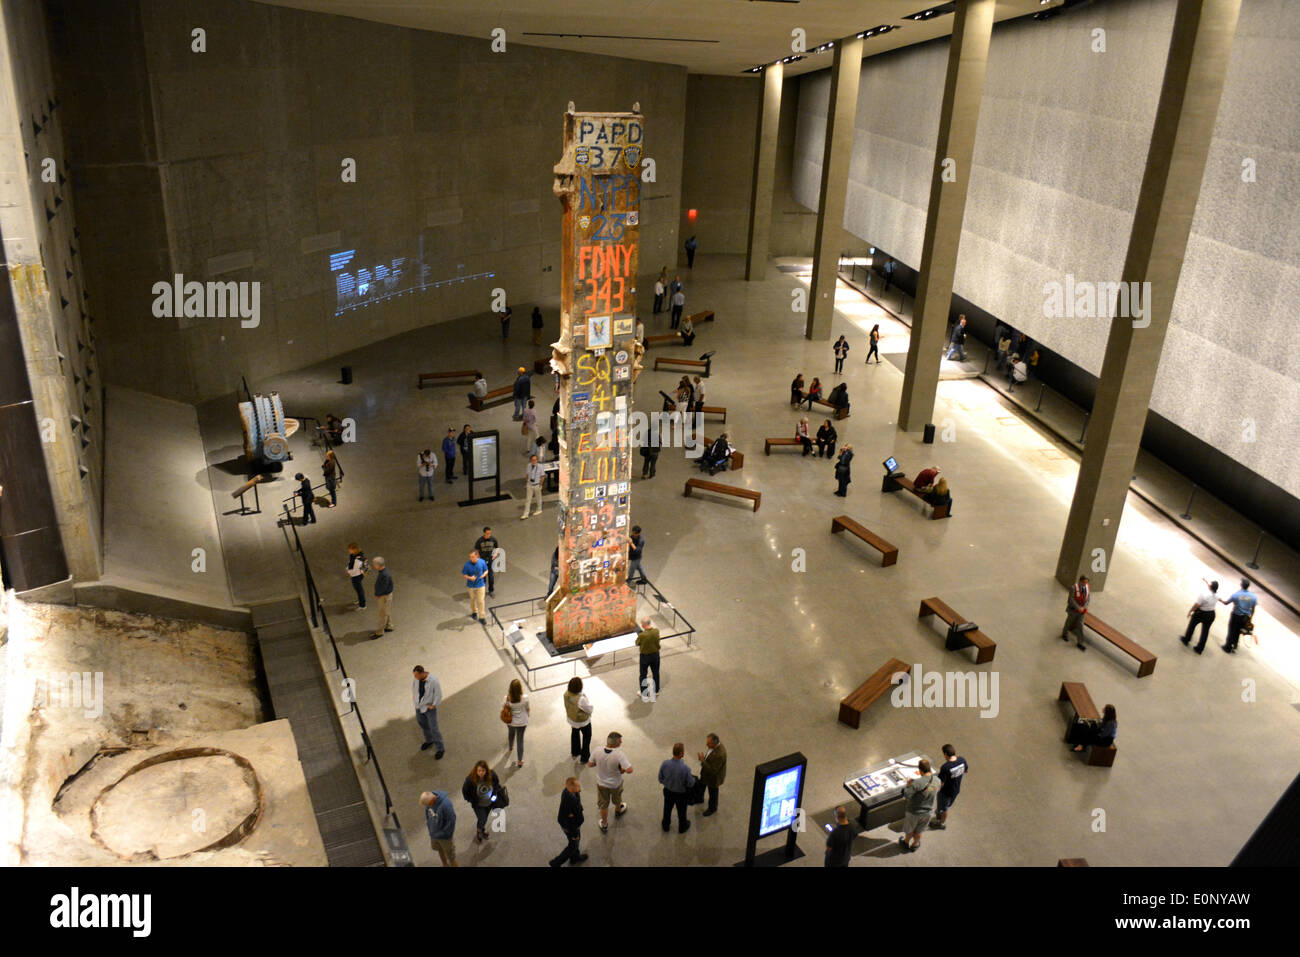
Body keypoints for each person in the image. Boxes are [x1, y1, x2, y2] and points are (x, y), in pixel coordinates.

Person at [588, 732, 633, 832]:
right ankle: (618, 810)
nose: (621, 743)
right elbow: (630, 770)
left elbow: (590, 764)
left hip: (601, 783)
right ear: (616, 744)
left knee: (603, 804)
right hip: (615, 783)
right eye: (620, 741)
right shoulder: (619, 755)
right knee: (617, 797)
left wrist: (599, 764)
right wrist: (622, 770)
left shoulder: (597, 750)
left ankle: (604, 824)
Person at [898, 758, 939, 853]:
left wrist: (908, 786)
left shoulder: (917, 783)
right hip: (928, 812)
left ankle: (906, 843)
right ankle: (915, 844)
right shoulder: (937, 780)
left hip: (914, 811)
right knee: (920, 830)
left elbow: (907, 795)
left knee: (910, 829)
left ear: (920, 770)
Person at [461, 760, 503, 843]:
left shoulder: (492, 775)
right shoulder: (470, 780)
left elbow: (497, 785)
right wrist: (471, 800)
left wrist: (494, 795)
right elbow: (465, 791)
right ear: (476, 770)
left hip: (489, 803)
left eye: (483, 771)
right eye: (479, 771)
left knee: (485, 817)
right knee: (482, 818)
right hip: (478, 805)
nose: (481, 773)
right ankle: (479, 831)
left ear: (486, 771)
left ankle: (482, 830)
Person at [550, 777, 588, 867]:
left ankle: (575, 857)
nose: (580, 787)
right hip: (570, 827)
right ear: (571, 788)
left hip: (572, 823)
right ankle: (555, 863)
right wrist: (574, 834)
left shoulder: (569, 792)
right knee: (573, 844)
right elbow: (570, 821)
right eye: (578, 786)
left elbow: (577, 802)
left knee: (576, 842)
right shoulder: (569, 801)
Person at [659, 743, 696, 833]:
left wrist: (668, 783)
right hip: (681, 795)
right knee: (682, 812)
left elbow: (660, 778)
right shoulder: (685, 769)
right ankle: (682, 827)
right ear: (682, 754)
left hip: (668, 792)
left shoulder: (665, 764)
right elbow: (690, 783)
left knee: (667, 809)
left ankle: (666, 825)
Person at [930, 744, 968, 830]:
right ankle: (939, 813)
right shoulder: (962, 760)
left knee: (944, 809)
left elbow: (941, 783)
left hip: (946, 792)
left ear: (946, 754)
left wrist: (933, 788)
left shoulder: (945, 767)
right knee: (946, 805)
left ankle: (941, 823)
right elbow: (965, 771)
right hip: (956, 789)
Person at [411, 665, 444, 758]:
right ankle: (429, 740)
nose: (415, 677)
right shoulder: (416, 680)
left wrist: (434, 705)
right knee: (423, 724)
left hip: (429, 708)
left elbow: (438, 694)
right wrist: (414, 699)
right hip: (419, 706)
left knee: (434, 728)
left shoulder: (433, 680)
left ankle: (440, 748)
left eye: (416, 675)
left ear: (422, 673)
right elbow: (414, 689)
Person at [1219, 578, 1257, 653]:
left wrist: (1220, 600)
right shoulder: (1253, 597)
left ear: (1241, 585)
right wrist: (1250, 618)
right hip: (1245, 617)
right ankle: (1235, 645)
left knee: (1231, 631)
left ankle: (1228, 647)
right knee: (1238, 632)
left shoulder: (1236, 595)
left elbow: (1226, 603)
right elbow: (1253, 609)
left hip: (1236, 616)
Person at [421, 789, 457, 866]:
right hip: (434, 834)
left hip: (445, 837)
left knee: (451, 857)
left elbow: (451, 820)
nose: (427, 806)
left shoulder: (445, 805)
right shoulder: (429, 803)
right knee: (440, 850)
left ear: (433, 799)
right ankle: (444, 864)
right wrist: (430, 829)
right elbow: (428, 816)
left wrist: (445, 834)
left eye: (428, 804)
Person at [1182, 579, 1219, 654]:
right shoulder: (1217, 595)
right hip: (1211, 614)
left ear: (1210, 587)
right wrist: (1206, 581)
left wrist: (1190, 611)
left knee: (1192, 625)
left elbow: (1197, 605)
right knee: (1205, 631)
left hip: (1201, 613)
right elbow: (1210, 587)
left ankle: (1186, 639)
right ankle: (1200, 648)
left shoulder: (1204, 594)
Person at [564, 677, 594, 763]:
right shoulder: (581, 699)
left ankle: (575, 751)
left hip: (572, 719)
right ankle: (585, 757)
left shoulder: (566, 694)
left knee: (574, 734)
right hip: (583, 722)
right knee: (587, 737)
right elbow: (589, 709)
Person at [503, 678, 530, 768]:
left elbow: (503, 707)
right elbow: (527, 708)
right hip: (522, 723)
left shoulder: (507, 698)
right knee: (520, 740)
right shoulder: (525, 698)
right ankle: (520, 760)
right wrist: (527, 714)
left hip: (511, 721)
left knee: (511, 733)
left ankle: (510, 747)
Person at [698, 734, 726, 817]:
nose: (707, 745)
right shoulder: (713, 747)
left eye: (709, 743)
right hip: (706, 774)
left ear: (714, 743)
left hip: (713, 778)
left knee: (713, 793)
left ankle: (712, 808)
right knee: (702, 785)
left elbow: (713, 770)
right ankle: (700, 798)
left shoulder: (720, 754)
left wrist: (702, 760)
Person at [1061, 575, 1090, 651]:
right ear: (1080, 581)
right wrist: (1078, 608)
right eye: (1083, 582)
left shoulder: (1087, 588)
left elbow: (1088, 598)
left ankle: (1080, 642)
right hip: (1073, 610)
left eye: (1086, 583)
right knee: (1069, 622)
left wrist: (1084, 607)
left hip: (1082, 611)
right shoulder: (1073, 588)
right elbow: (1071, 599)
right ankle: (1064, 634)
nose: (1085, 584)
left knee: (1080, 625)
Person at [636, 617, 661, 697]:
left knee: (643, 674)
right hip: (655, 655)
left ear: (643, 624)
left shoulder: (642, 635)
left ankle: (644, 692)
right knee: (656, 673)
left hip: (645, 657)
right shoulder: (656, 631)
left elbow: (637, 643)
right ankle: (656, 690)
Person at [474, 526, 501, 598]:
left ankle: (491, 590)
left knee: (491, 576)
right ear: (484, 533)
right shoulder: (479, 541)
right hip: (482, 560)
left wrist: (495, 554)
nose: (489, 535)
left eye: (490, 533)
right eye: (487, 533)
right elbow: (476, 550)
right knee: (483, 576)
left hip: (490, 559)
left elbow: (497, 548)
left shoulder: (493, 539)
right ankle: (481, 591)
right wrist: (479, 558)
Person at [463, 548, 489, 621]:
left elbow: (486, 570)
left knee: (481, 601)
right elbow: (464, 574)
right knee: (472, 600)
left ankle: (482, 617)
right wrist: (470, 578)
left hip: (480, 586)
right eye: (470, 557)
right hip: (471, 586)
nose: (471, 558)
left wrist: (483, 575)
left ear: (477, 556)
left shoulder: (482, 562)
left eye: (473, 557)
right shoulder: (467, 565)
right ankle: (474, 612)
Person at [371, 556, 393, 639]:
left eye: (374, 564)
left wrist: (378, 594)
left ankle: (380, 632)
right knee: (387, 610)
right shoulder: (384, 572)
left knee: (382, 613)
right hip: (386, 595)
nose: (373, 565)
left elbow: (384, 587)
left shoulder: (384, 574)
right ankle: (389, 625)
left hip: (384, 596)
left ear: (378, 565)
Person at [521, 453, 545, 519]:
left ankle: (539, 509)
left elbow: (543, 476)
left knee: (538, 498)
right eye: (532, 460)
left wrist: (540, 485)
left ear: (537, 460)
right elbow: (527, 474)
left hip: (537, 484)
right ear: (530, 460)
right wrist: (527, 482)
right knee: (528, 499)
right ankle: (526, 514)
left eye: (535, 460)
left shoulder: (540, 466)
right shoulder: (528, 466)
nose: (534, 461)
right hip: (530, 484)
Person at [346, 543, 367, 608]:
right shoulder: (353, 555)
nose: (349, 551)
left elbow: (355, 569)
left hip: (356, 575)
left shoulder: (357, 559)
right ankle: (360, 600)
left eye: (350, 549)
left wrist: (349, 572)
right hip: (356, 574)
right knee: (358, 589)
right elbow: (350, 563)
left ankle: (362, 605)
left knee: (359, 590)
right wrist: (348, 569)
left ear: (354, 550)